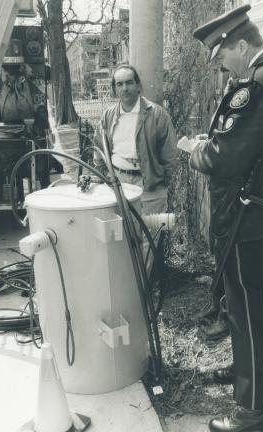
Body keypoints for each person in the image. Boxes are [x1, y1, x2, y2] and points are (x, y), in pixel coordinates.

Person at [190, 4, 263, 432]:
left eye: (222, 55)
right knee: (252, 305)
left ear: (240, 43)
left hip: (245, 213)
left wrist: (196, 149)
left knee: (248, 308)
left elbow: (224, 157)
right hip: (261, 210)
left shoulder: (255, 85)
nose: (220, 64)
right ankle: (246, 373)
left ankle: (254, 409)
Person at [93, 64, 177, 277]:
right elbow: (99, 150)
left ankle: (144, 291)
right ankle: (127, 286)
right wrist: (103, 179)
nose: (125, 88)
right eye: (119, 84)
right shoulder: (109, 117)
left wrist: (161, 181)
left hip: (149, 184)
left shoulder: (157, 115)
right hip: (118, 183)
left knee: (149, 237)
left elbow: (169, 155)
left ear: (138, 86)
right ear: (114, 89)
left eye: (129, 82)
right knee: (120, 235)